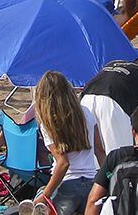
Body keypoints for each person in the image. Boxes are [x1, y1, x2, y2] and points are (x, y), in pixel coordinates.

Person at [33, 70, 105, 215]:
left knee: (38, 202)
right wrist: (105, 183)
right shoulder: (86, 113)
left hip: (67, 185)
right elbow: (100, 152)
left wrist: (45, 195)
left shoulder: (49, 123)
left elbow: (63, 163)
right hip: (91, 182)